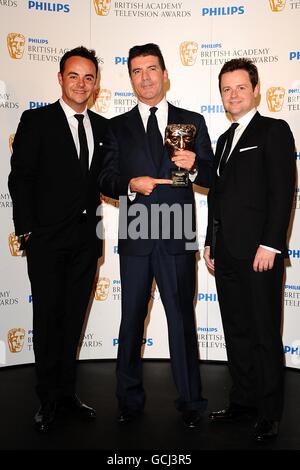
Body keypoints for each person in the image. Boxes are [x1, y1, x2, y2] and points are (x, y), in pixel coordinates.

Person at [99, 43, 213, 428]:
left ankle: (192, 401)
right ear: (130, 77)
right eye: (136, 71)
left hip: (177, 235)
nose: (145, 77)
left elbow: (213, 174)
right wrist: (130, 183)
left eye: (151, 69)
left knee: (182, 321)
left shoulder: (191, 120)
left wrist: (195, 165)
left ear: (165, 74)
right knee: (130, 320)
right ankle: (128, 400)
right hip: (136, 237)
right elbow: (105, 179)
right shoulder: (115, 127)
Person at [8, 46, 108, 433]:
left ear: (95, 83)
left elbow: (107, 179)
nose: (81, 83)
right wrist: (27, 231)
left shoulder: (103, 126)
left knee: (72, 321)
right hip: (47, 242)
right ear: (60, 78)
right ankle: (47, 399)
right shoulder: (36, 120)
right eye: (74, 75)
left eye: (88, 77)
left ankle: (67, 394)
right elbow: (21, 179)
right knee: (48, 320)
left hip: (86, 242)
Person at [203, 58, 295, 442]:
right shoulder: (224, 140)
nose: (233, 94)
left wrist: (272, 243)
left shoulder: (274, 130)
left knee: (263, 335)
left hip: (260, 254)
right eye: (226, 88)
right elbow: (217, 197)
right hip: (225, 253)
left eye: (241, 87)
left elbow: (282, 191)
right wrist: (210, 240)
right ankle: (243, 401)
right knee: (236, 331)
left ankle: (269, 412)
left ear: (255, 90)